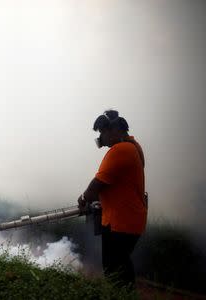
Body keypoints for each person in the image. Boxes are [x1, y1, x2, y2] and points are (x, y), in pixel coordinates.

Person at [78, 109, 147, 288]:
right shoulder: (134, 146)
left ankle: (122, 295)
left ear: (115, 129)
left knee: (114, 269)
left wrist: (84, 198)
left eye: (103, 131)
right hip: (129, 220)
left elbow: (97, 184)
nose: (101, 137)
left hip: (121, 222)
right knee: (121, 265)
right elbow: (117, 183)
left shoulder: (120, 150)